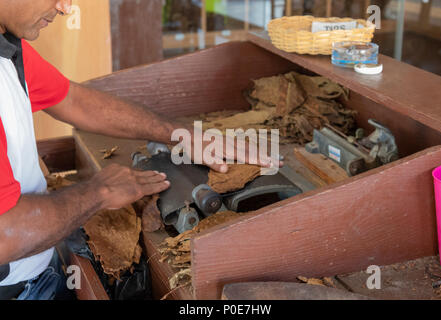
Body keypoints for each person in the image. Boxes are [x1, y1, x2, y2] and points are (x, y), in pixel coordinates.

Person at [0, 0, 280, 300]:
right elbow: (6, 235)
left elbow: (73, 100)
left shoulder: (9, 47)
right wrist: (98, 192)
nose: (66, 8)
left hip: (41, 269)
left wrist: (182, 135)